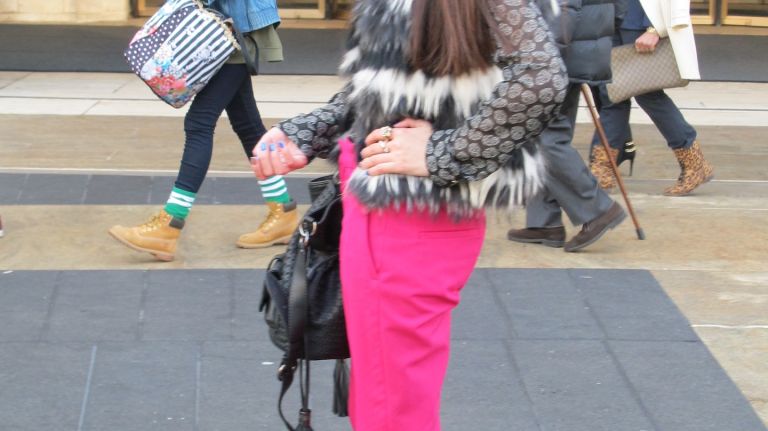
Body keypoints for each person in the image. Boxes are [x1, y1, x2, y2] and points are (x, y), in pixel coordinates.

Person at [250, 0, 568, 429]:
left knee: (392, 405)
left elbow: (541, 78)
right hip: (383, 204)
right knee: (383, 390)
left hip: (409, 217)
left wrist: (446, 152)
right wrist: (308, 130)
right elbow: (382, 87)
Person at [109, 0, 299, 262]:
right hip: (233, 25)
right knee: (247, 125)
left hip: (232, 29)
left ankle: (170, 223)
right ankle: (283, 210)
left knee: (199, 122)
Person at [506, 0, 629, 252]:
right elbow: (620, 10)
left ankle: (597, 210)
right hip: (579, 53)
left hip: (559, 57)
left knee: (544, 139)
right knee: (542, 135)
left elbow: (564, 12)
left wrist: (542, 59)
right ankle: (544, 221)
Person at [589, 0, 714, 195]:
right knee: (612, 95)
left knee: (648, 96)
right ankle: (601, 169)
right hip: (610, 17)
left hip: (639, 20)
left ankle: (694, 163)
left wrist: (654, 28)